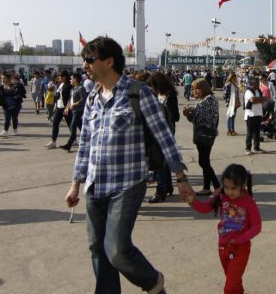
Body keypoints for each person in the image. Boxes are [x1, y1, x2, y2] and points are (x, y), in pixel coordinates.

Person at [65, 36, 190, 294]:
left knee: (117, 250)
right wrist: (75, 183)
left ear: (109, 62)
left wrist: (180, 178)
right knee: (97, 249)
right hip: (95, 185)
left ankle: (153, 282)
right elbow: (85, 144)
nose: (85, 65)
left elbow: (164, 137)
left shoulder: (139, 93)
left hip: (127, 184)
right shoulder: (92, 97)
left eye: (89, 60)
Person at [184, 163, 262, 294]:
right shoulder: (221, 196)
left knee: (230, 287)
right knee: (234, 282)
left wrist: (240, 239)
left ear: (243, 185)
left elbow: (257, 226)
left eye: (233, 188)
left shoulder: (249, 203)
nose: (229, 191)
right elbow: (205, 208)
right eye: (226, 187)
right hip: (223, 247)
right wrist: (192, 201)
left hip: (240, 249)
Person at [146, 72, 180, 203]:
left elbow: (176, 116)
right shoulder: (156, 96)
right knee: (163, 161)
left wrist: (164, 112)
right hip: (157, 129)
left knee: (159, 161)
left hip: (166, 130)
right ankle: (168, 186)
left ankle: (161, 190)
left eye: (153, 86)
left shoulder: (169, 96)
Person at [184, 78, 221, 195]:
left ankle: (217, 186)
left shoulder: (209, 99)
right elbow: (195, 119)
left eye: (197, 89)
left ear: (204, 88)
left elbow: (205, 116)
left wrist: (191, 109)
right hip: (202, 133)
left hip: (206, 134)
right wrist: (188, 114)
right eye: (193, 89)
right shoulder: (201, 101)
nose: (194, 91)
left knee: (203, 162)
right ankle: (206, 187)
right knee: (205, 161)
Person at [59, 73, 88, 152]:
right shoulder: (73, 89)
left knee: (72, 126)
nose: (70, 80)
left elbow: (83, 100)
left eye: (72, 79)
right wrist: (67, 108)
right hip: (73, 111)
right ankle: (88, 140)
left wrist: (74, 104)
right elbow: (70, 99)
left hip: (78, 111)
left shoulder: (81, 88)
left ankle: (68, 145)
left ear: (75, 79)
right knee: (82, 127)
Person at [45, 70, 72, 149]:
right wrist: (55, 105)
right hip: (58, 107)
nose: (59, 77)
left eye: (61, 76)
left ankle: (74, 140)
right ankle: (53, 141)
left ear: (65, 77)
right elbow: (57, 95)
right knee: (55, 123)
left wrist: (68, 107)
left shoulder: (69, 85)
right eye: (59, 76)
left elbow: (71, 97)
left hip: (65, 107)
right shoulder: (60, 84)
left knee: (70, 124)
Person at [243, 76, 266, 155]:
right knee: (250, 133)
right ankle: (247, 148)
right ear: (253, 84)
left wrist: (258, 99)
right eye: (257, 83)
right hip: (250, 115)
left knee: (257, 132)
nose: (259, 84)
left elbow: (264, 99)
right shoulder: (248, 91)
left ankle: (257, 147)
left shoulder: (258, 90)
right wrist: (260, 99)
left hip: (258, 114)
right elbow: (253, 100)